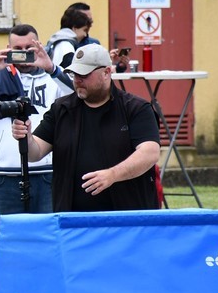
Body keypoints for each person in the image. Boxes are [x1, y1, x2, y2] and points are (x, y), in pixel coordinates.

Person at [0, 24, 74, 240]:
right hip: (3, 174)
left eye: (30, 47)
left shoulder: (51, 77)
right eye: (18, 48)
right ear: (8, 48)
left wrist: (51, 68)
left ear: (40, 46)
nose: (24, 53)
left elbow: (78, 96)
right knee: (7, 245)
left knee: (49, 242)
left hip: (46, 172)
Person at [11, 44, 162, 212]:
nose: (77, 80)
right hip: (72, 219)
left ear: (106, 73)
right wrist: (26, 137)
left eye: (84, 74)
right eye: (74, 74)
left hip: (126, 217)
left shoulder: (136, 108)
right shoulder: (62, 109)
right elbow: (35, 153)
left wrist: (112, 175)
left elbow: (150, 153)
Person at [45, 2, 93, 68]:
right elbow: (69, 74)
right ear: (75, 28)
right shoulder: (67, 47)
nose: (85, 34)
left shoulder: (56, 41)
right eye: (84, 30)